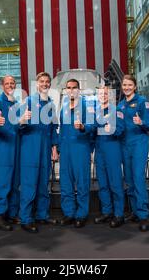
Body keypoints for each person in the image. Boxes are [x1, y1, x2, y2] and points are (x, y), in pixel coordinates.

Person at [18, 72, 59, 233]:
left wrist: (54, 147)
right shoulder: (28, 101)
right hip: (30, 147)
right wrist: (22, 120)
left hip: (45, 147)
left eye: (47, 82)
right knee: (29, 183)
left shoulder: (51, 104)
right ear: (37, 84)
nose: (44, 84)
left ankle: (42, 215)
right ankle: (26, 218)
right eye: (42, 81)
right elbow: (17, 124)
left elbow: (53, 128)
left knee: (43, 183)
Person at [118, 75, 149, 232]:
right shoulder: (120, 106)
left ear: (135, 86)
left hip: (138, 144)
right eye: (124, 85)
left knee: (138, 179)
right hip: (125, 145)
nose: (126, 87)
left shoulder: (142, 102)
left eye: (129, 85)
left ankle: (143, 214)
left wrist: (142, 122)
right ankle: (134, 212)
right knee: (130, 180)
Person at [58, 79, 95, 228]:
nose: (71, 90)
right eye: (69, 88)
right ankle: (69, 213)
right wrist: (59, 149)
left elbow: (93, 126)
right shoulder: (64, 107)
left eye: (74, 88)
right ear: (66, 90)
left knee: (82, 182)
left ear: (79, 90)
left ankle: (81, 214)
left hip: (80, 147)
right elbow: (61, 131)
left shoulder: (87, 105)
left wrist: (83, 127)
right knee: (66, 183)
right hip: (66, 150)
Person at [0, 75, 21, 231]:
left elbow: (18, 126)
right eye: (7, 83)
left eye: (12, 83)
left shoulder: (16, 104)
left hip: (15, 146)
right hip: (3, 146)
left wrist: (23, 123)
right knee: (3, 181)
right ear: (2, 86)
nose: (10, 85)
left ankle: (11, 213)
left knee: (14, 181)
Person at [93, 86, 126, 228]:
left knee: (115, 183)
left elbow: (121, 129)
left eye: (105, 93)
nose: (103, 96)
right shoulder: (94, 112)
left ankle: (119, 214)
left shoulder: (116, 110)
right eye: (100, 94)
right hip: (99, 150)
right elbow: (91, 131)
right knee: (103, 184)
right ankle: (107, 212)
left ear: (110, 95)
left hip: (112, 149)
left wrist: (111, 130)